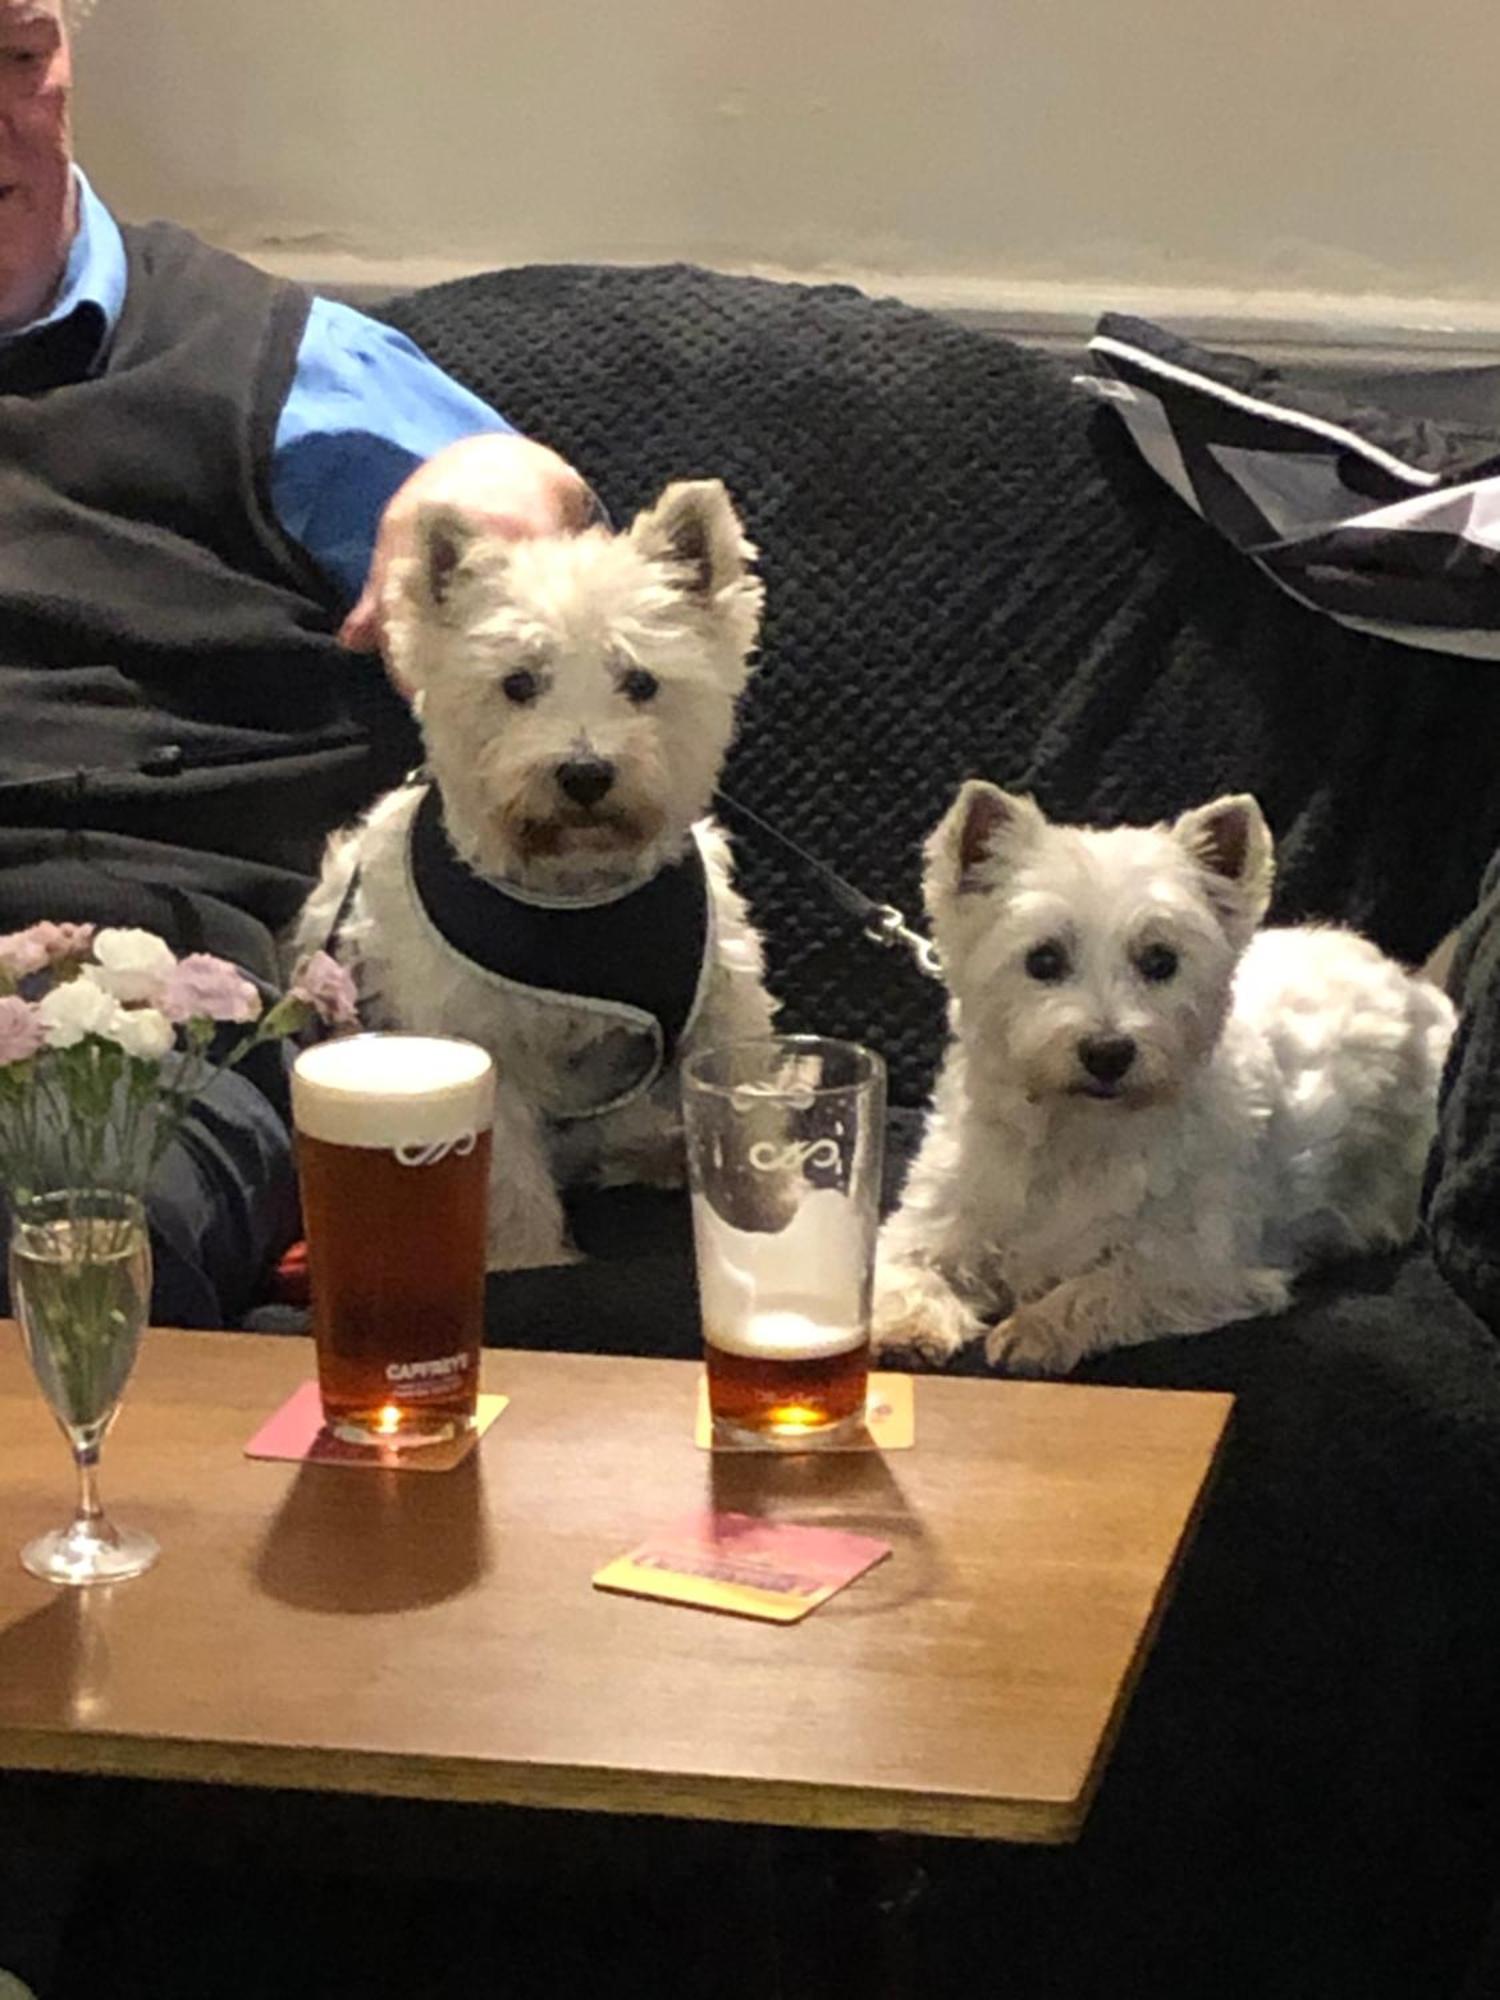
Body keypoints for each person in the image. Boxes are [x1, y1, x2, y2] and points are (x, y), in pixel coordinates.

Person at [0, 0, 591, 1326]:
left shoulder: (271, 365)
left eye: (14, 53)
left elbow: (549, 543)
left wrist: (509, 489)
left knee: (65, 1220)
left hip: (161, 986)